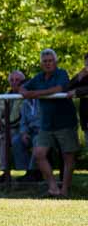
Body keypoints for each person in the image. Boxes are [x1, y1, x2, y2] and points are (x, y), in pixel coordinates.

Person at [21, 48, 79, 197]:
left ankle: (64, 190)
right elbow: (23, 87)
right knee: (38, 154)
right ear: (41, 64)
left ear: (55, 62)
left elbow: (59, 88)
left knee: (68, 156)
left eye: (50, 61)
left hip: (65, 122)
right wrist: (24, 92)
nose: (47, 63)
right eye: (45, 61)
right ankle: (53, 188)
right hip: (46, 124)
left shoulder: (62, 73)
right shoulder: (38, 77)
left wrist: (35, 93)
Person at [14, 98, 42, 182]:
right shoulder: (25, 103)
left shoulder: (42, 101)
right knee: (16, 140)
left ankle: (32, 171)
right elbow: (23, 122)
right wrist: (24, 133)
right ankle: (26, 171)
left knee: (37, 140)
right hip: (30, 132)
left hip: (43, 132)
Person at [65, 52, 88, 145]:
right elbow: (67, 88)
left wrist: (77, 91)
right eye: (86, 64)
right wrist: (78, 77)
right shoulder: (84, 77)